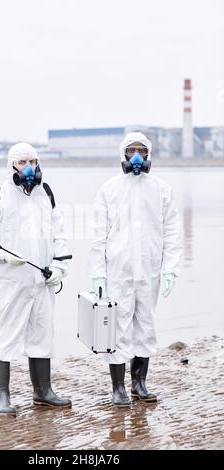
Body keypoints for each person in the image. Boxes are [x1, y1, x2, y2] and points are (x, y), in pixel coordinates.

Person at [0, 142, 71, 414]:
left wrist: (59, 266)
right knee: (2, 337)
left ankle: (43, 392)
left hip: (41, 282)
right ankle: (2, 396)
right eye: (22, 162)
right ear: (12, 166)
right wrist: (3, 255)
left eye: (33, 161)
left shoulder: (46, 194)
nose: (29, 167)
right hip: (10, 282)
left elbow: (58, 234)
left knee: (42, 335)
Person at [88, 132, 181, 407]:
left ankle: (139, 383)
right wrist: (97, 272)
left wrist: (170, 269)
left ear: (149, 154)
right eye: (132, 150)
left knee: (145, 326)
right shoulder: (109, 189)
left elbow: (172, 231)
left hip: (149, 271)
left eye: (142, 150)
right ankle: (118, 388)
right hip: (118, 270)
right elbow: (98, 233)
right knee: (117, 328)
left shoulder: (161, 189)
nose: (137, 155)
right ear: (124, 155)